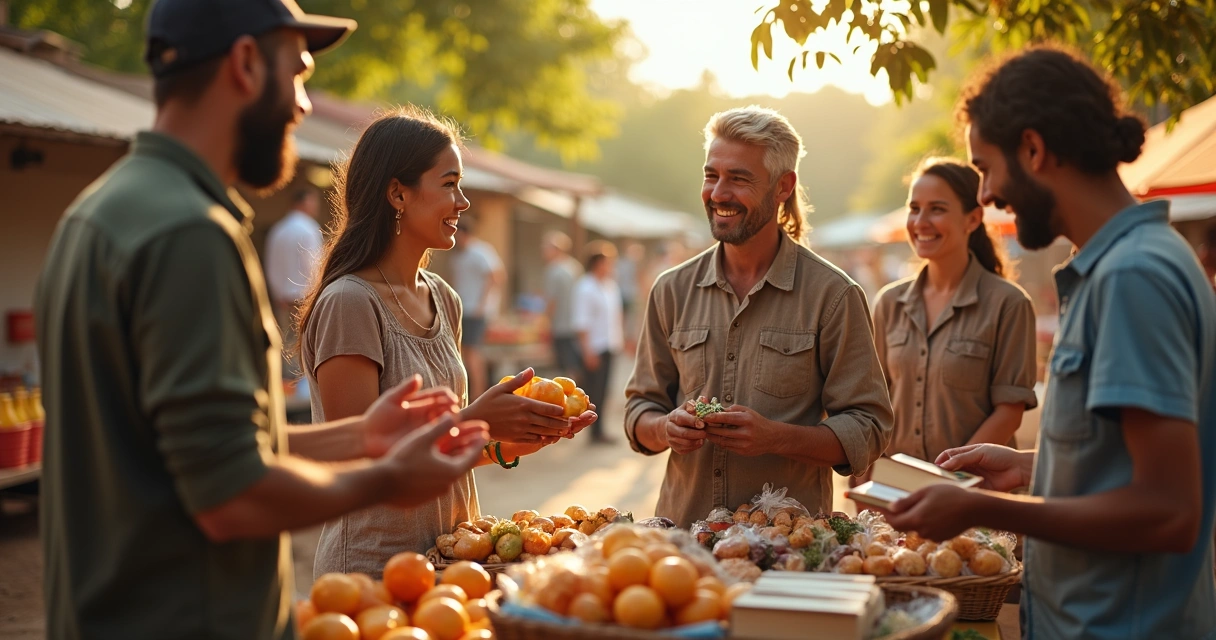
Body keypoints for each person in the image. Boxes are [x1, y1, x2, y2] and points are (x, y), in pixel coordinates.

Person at [32, 2, 490, 639]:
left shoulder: (102, 211)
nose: (302, 106)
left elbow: (196, 451)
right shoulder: (190, 234)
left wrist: (359, 438)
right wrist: (388, 478)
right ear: (246, 63)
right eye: (298, 74)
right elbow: (229, 494)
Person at [882, 46, 1216, 639]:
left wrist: (979, 507)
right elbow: (1123, 457)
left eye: (985, 168)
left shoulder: (1132, 277)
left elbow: (1168, 511)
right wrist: (1030, 467)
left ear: (1033, 150)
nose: (984, 196)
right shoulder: (1119, 266)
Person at [295, 106, 599, 576]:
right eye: (449, 183)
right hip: (373, 569)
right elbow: (356, 455)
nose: (464, 202)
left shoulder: (444, 299)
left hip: (454, 558)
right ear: (398, 193)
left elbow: (443, 454)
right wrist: (477, 418)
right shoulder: (350, 303)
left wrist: (510, 440)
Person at [624, 106, 893, 527]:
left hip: (790, 547)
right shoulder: (671, 290)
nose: (718, 193)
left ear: (783, 186)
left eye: (739, 178)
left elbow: (870, 428)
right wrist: (665, 429)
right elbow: (639, 409)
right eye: (711, 176)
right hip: (682, 546)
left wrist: (776, 438)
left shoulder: (833, 295)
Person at [870, 158, 1037, 466]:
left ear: (972, 219)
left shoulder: (1008, 303)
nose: (920, 221)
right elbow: (874, 403)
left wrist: (949, 477)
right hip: (895, 492)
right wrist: (868, 474)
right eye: (915, 208)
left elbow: (1009, 411)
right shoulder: (889, 303)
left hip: (975, 495)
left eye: (937, 209)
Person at [573, 240, 625, 444]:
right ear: (597, 264)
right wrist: (587, 351)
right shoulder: (586, 287)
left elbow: (616, 315)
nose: (610, 266)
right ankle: (593, 431)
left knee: (605, 390)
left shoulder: (610, 286)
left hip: (610, 344)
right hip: (594, 347)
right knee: (593, 392)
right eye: (607, 262)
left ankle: (600, 429)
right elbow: (581, 322)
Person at [449, 215, 505, 397]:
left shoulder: (480, 251)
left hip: (475, 311)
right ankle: (467, 395)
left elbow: (496, 276)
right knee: (463, 355)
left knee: (473, 355)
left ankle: (478, 396)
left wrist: (483, 304)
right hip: (462, 310)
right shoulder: (457, 256)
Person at [541, 230, 583, 378]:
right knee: (573, 363)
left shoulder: (554, 270)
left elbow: (552, 300)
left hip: (561, 325)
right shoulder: (575, 266)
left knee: (566, 365)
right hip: (576, 323)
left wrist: (545, 321)